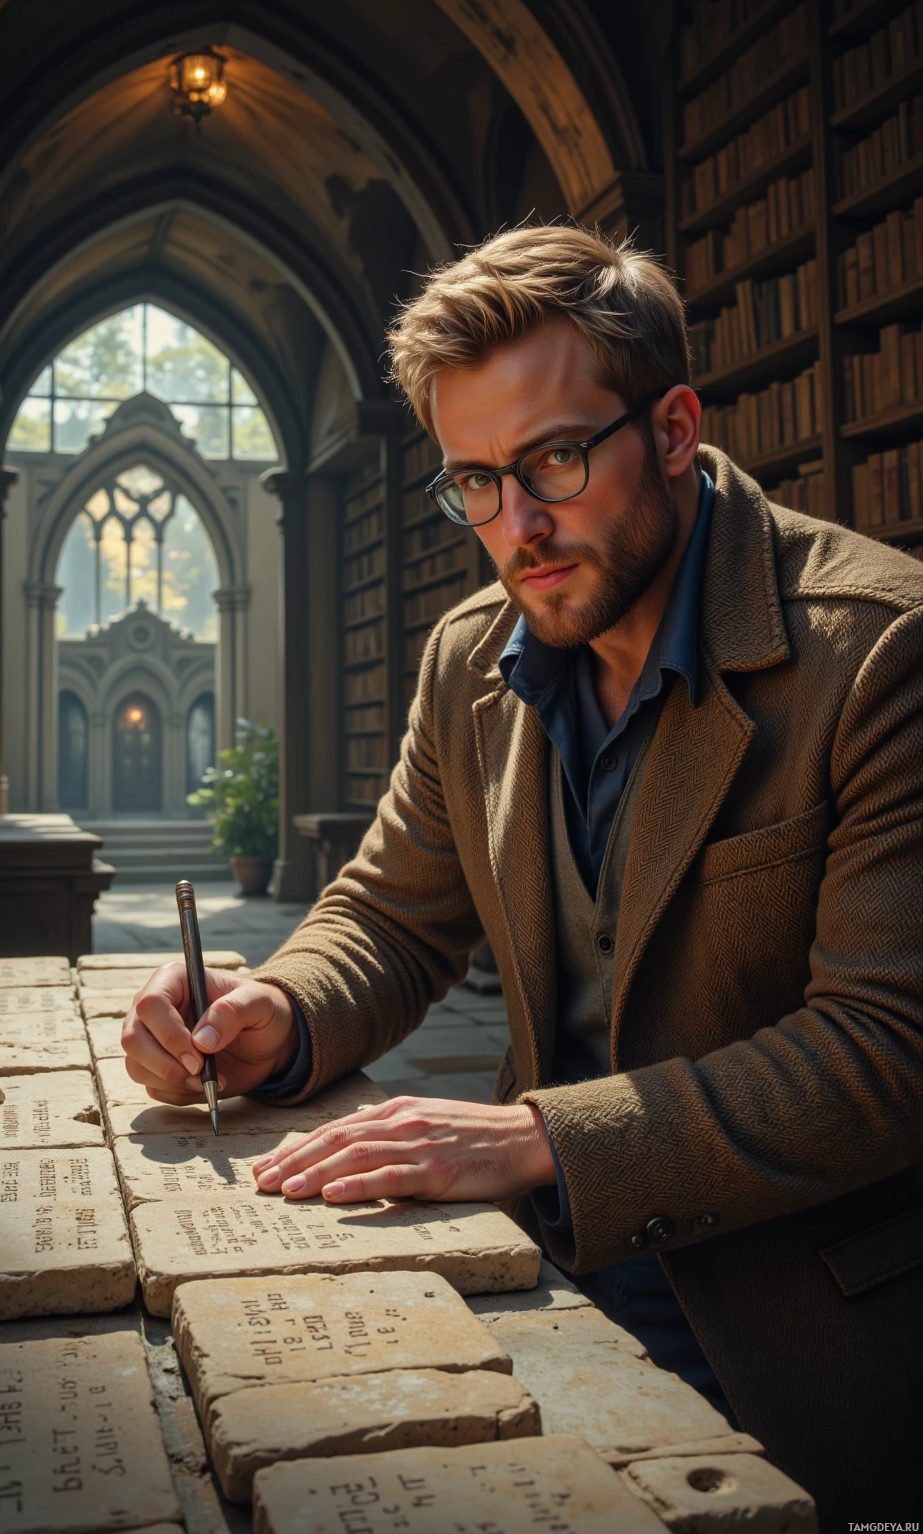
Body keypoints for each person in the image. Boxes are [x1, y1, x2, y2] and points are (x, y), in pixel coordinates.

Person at [123, 225, 923, 1527]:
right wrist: (277, 1014)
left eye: (553, 459)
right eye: (475, 483)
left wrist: (541, 1137)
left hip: (816, 1346)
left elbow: (891, 1050)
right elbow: (389, 913)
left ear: (672, 428)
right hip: (549, 1286)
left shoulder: (879, 655)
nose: (519, 529)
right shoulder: (470, 660)